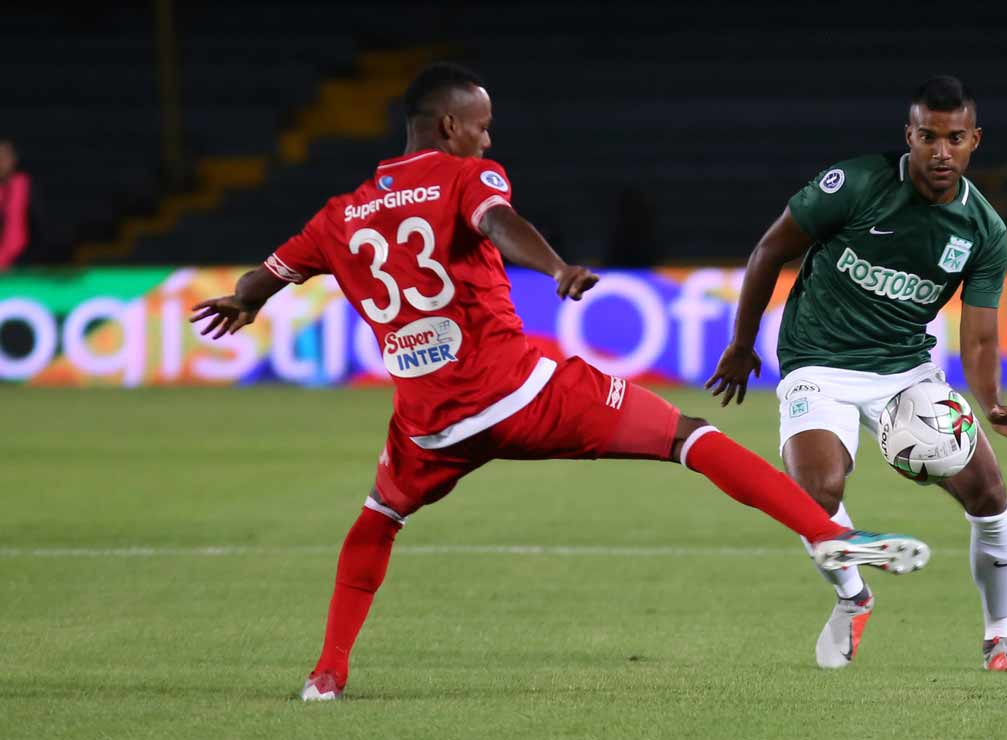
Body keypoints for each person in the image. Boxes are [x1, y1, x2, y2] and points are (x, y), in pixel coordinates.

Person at [189, 62, 932, 701]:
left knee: (378, 518)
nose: (488, 138)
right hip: (519, 392)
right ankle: (831, 536)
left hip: (430, 423)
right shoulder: (462, 175)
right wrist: (555, 268)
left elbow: (269, 273)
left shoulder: (339, 215)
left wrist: (242, 302)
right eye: (480, 126)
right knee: (691, 438)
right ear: (448, 126)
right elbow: (497, 218)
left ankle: (326, 676)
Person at [706, 75, 1007, 673]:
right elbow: (769, 250)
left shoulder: (983, 230)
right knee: (816, 493)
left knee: (990, 497)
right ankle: (853, 596)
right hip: (818, 360)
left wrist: (990, 401)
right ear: (908, 137)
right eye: (928, 136)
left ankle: (1000, 641)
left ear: (975, 141)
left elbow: (980, 331)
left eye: (955, 138)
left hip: (905, 371)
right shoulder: (857, 184)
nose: (941, 151)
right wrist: (741, 342)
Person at [0, 138, 37, 270]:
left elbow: (17, 235)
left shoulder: (23, 184)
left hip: (23, 265)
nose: (1, 160)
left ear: (15, 159)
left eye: (5, 155)